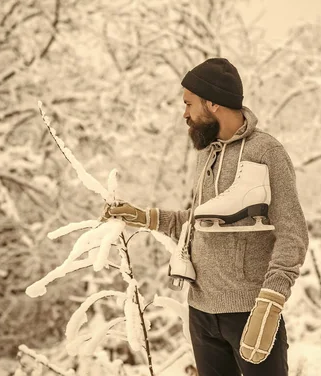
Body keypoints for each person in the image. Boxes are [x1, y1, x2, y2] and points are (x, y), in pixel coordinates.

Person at [103, 58, 309, 376]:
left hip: (251, 313)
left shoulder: (267, 153)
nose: (184, 113)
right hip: (200, 312)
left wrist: (271, 300)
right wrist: (144, 217)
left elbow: (292, 231)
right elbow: (200, 221)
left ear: (212, 103)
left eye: (189, 103)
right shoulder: (207, 153)